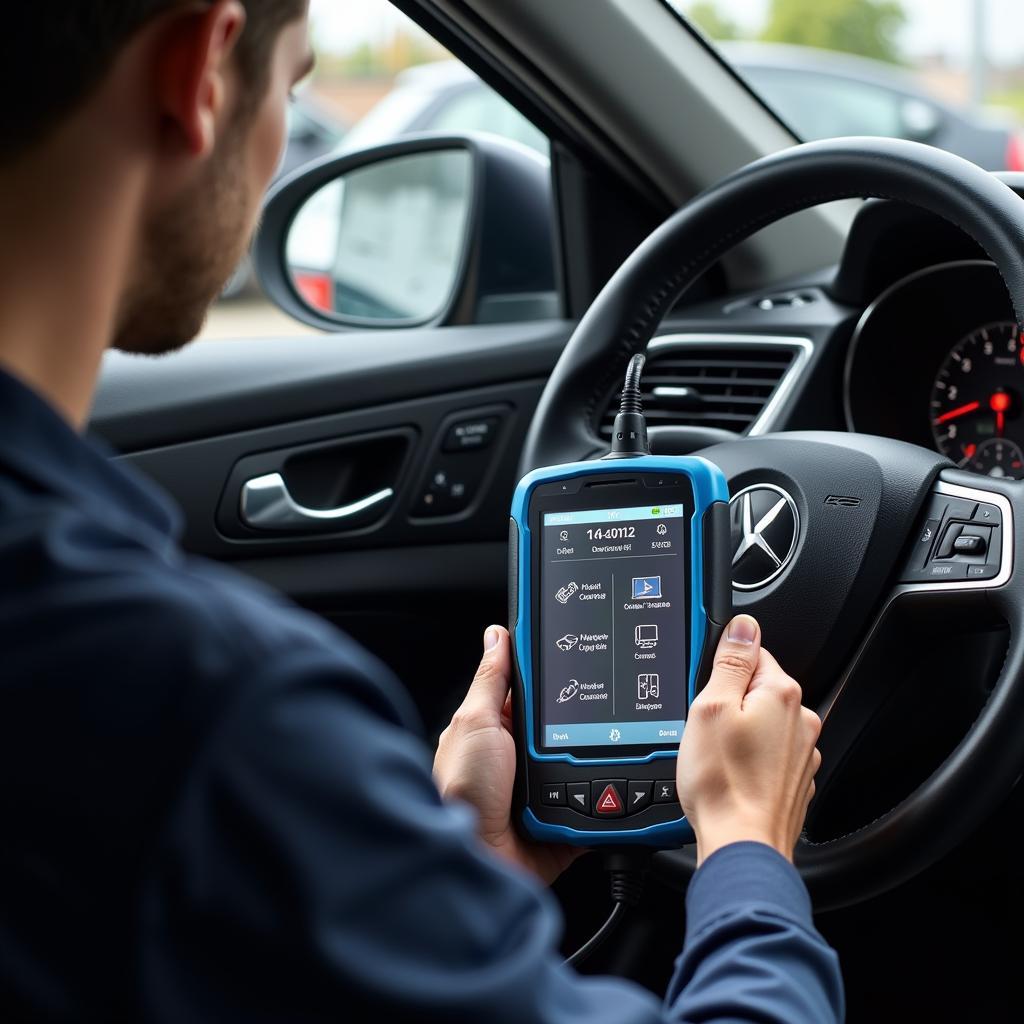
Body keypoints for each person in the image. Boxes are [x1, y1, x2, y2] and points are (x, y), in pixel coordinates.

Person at [0, 2, 843, 1021]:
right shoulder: (204, 710)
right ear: (201, 72)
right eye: (295, 83)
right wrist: (749, 849)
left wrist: (461, 869)